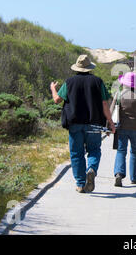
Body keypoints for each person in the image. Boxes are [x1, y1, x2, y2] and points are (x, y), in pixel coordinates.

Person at [50, 54, 115, 193]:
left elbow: (57, 100)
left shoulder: (69, 82)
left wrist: (53, 88)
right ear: (90, 67)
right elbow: (105, 104)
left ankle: (80, 183)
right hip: (94, 123)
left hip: (74, 123)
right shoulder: (98, 82)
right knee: (94, 150)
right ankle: (91, 169)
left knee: (76, 153)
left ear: (77, 67)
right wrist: (110, 122)